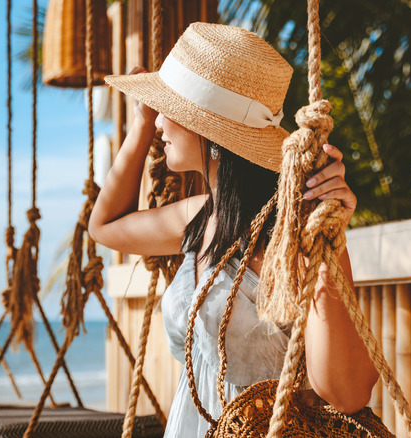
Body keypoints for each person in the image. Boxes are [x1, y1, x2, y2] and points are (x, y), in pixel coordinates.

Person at [88, 23, 378, 437]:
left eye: (168, 110)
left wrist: (322, 226)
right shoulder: (202, 217)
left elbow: (347, 395)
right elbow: (105, 226)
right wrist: (141, 121)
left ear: (211, 132)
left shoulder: (292, 234)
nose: (159, 126)